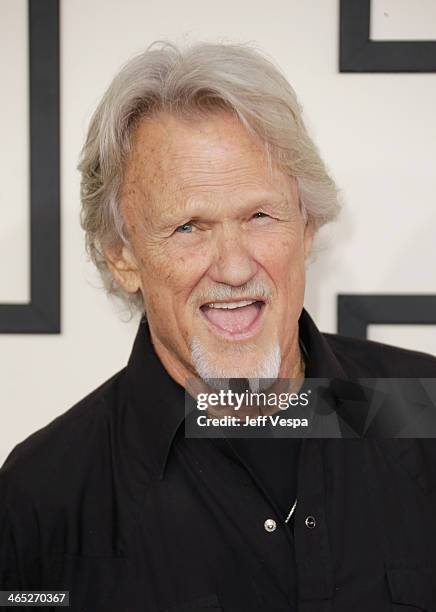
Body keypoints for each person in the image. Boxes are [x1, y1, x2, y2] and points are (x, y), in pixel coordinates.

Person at [1, 40, 436, 612]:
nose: (233, 267)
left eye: (260, 215)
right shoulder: (44, 496)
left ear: (306, 229)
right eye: (188, 227)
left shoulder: (424, 415)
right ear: (122, 257)